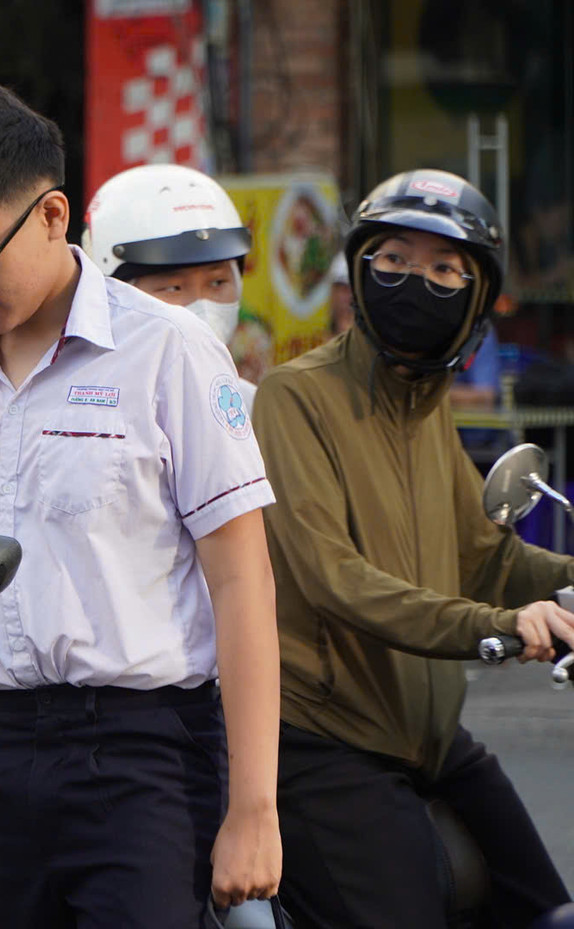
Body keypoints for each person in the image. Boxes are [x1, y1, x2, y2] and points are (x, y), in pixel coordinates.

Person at [0, 81, 282, 927]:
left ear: (51, 215)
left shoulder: (169, 349)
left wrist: (254, 810)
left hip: (142, 754)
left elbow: (242, 582)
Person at [251, 169, 574, 928]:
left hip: (429, 736)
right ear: (359, 272)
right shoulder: (295, 397)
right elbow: (335, 578)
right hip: (327, 741)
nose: (414, 283)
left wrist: (560, 582)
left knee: (546, 909)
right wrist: (492, 625)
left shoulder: (426, 411)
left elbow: (486, 558)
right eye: (392, 260)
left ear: (476, 297)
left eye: (443, 270)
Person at [83, 163, 257, 408]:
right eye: (173, 288)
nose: (202, 308)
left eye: (217, 283)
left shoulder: (256, 411)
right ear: (110, 292)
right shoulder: (85, 411)